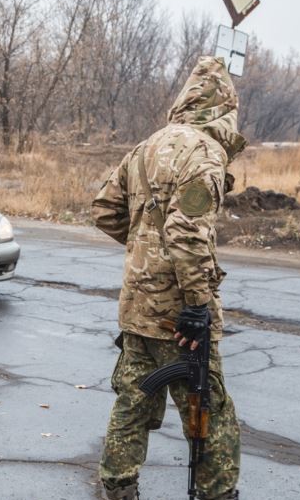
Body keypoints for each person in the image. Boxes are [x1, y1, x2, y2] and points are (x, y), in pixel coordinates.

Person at [92, 56, 246, 500]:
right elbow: (186, 231)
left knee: (134, 398)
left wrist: (145, 248)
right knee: (209, 408)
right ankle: (217, 492)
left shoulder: (147, 146)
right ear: (223, 109)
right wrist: (197, 305)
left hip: (137, 305)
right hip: (179, 314)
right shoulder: (205, 154)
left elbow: (104, 209)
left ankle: (118, 485)